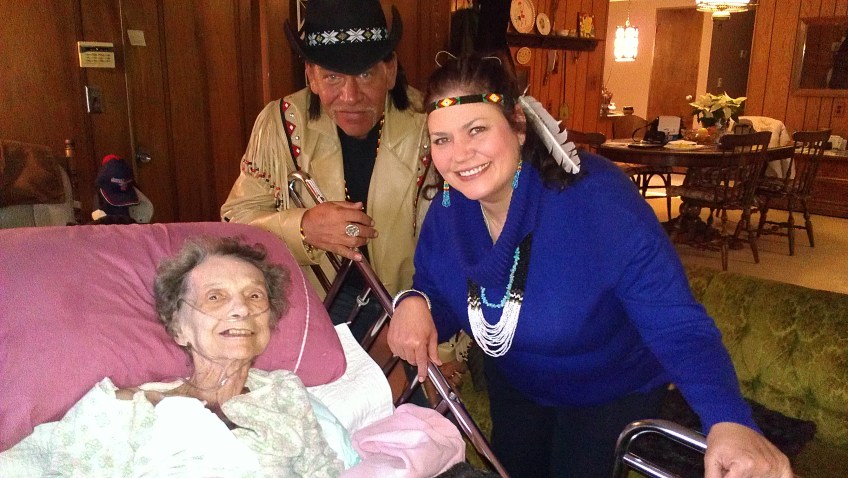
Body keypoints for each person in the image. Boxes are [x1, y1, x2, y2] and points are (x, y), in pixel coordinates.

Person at [387, 52, 793, 478]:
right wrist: (415, 300)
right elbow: (441, 291)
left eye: (477, 130)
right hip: (516, 383)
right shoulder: (448, 209)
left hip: (609, 392)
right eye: (442, 139)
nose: (460, 155)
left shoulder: (598, 200)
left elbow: (676, 324)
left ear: (519, 126)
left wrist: (729, 419)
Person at [220, 0, 432, 342]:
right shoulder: (280, 123)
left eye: (365, 74)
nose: (350, 96)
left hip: (407, 304)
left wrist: (444, 339)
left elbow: (463, 237)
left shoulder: (433, 126)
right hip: (311, 305)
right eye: (332, 76)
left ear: (390, 71)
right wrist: (302, 227)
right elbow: (235, 220)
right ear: (311, 76)